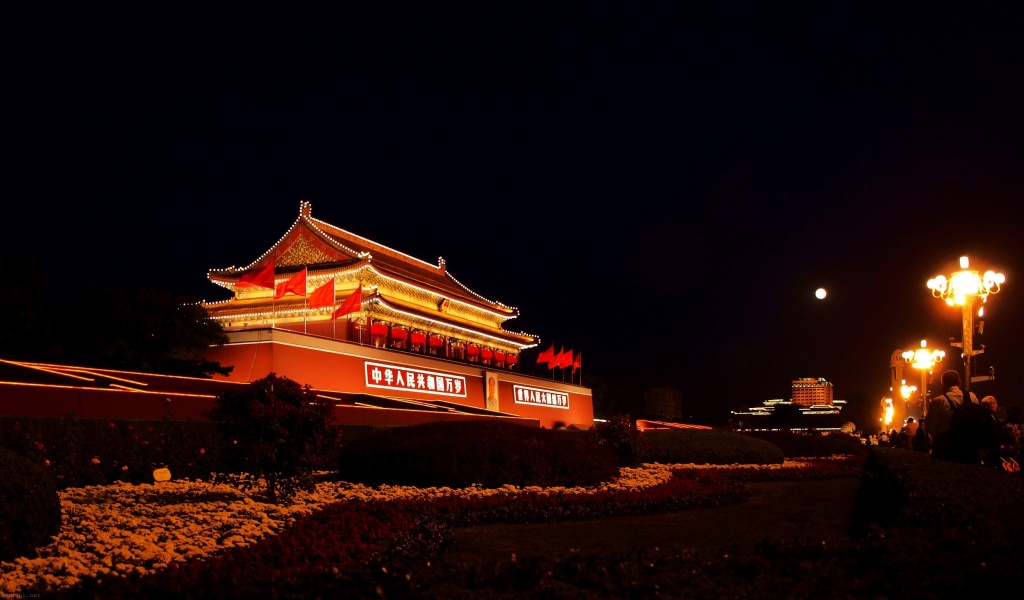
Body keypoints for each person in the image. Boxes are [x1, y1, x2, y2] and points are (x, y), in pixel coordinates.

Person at [926, 370, 979, 461]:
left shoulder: (938, 401)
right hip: (969, 446)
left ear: (943, 384)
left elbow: (930, 426)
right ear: (959, 382)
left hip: (945, 447)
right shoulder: (972, 397)